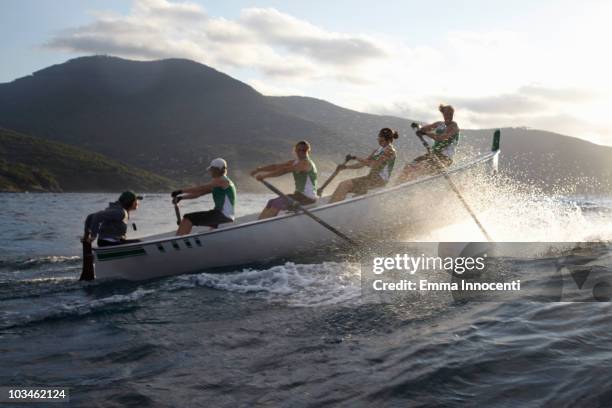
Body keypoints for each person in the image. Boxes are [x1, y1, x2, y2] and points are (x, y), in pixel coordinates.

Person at [251, 140, 318, 219]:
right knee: (271, 202)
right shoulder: (295, 162)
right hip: (298, 195)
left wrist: (264, 176)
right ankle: (259, 223)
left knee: (277, 203)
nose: (301, 152)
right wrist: (259, 169)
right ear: (295, 151)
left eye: (304, 150)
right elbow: (276, 167)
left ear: (308, 151)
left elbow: (284, 170)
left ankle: (262, 226)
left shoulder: (306, 163)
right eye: (298, 150)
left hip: (308, 197)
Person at [328, 128, 398, 203]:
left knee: (344, 185)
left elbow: (374, 164)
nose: (379, 142)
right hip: (370, 178)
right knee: (343, 186)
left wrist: (356, 158)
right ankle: (331, 205)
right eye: (378, 139)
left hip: (379, 181)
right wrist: (346, 167)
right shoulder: (378, 150)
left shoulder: (390, 151)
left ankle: (329, 210)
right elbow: (362, 164)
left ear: (388, 140)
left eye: (381, 140)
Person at [172, 158, 236, 235]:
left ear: (216, 169)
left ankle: (177, 242)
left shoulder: (221, 180)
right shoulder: (220, 183)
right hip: (222, 215)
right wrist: (181, 198)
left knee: (188, 218)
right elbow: (198, 193)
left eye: (211, 170)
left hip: (222, 215)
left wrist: (180, 191)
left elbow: (200, 188)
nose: (210, 172)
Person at [398, 104, 460, 182]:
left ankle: (407, 184)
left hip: (444, 159)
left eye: (450, 114)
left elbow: (441, 138)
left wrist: (425, 133)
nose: (448, 116)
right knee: (408, 167)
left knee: (418, 169)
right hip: (433, 154)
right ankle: (396, 185)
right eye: (446, 114)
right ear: (443, 114)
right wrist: (418, 128)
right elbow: (424, 128)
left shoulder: (454, 126)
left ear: (452, 115)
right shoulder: (439, 124)